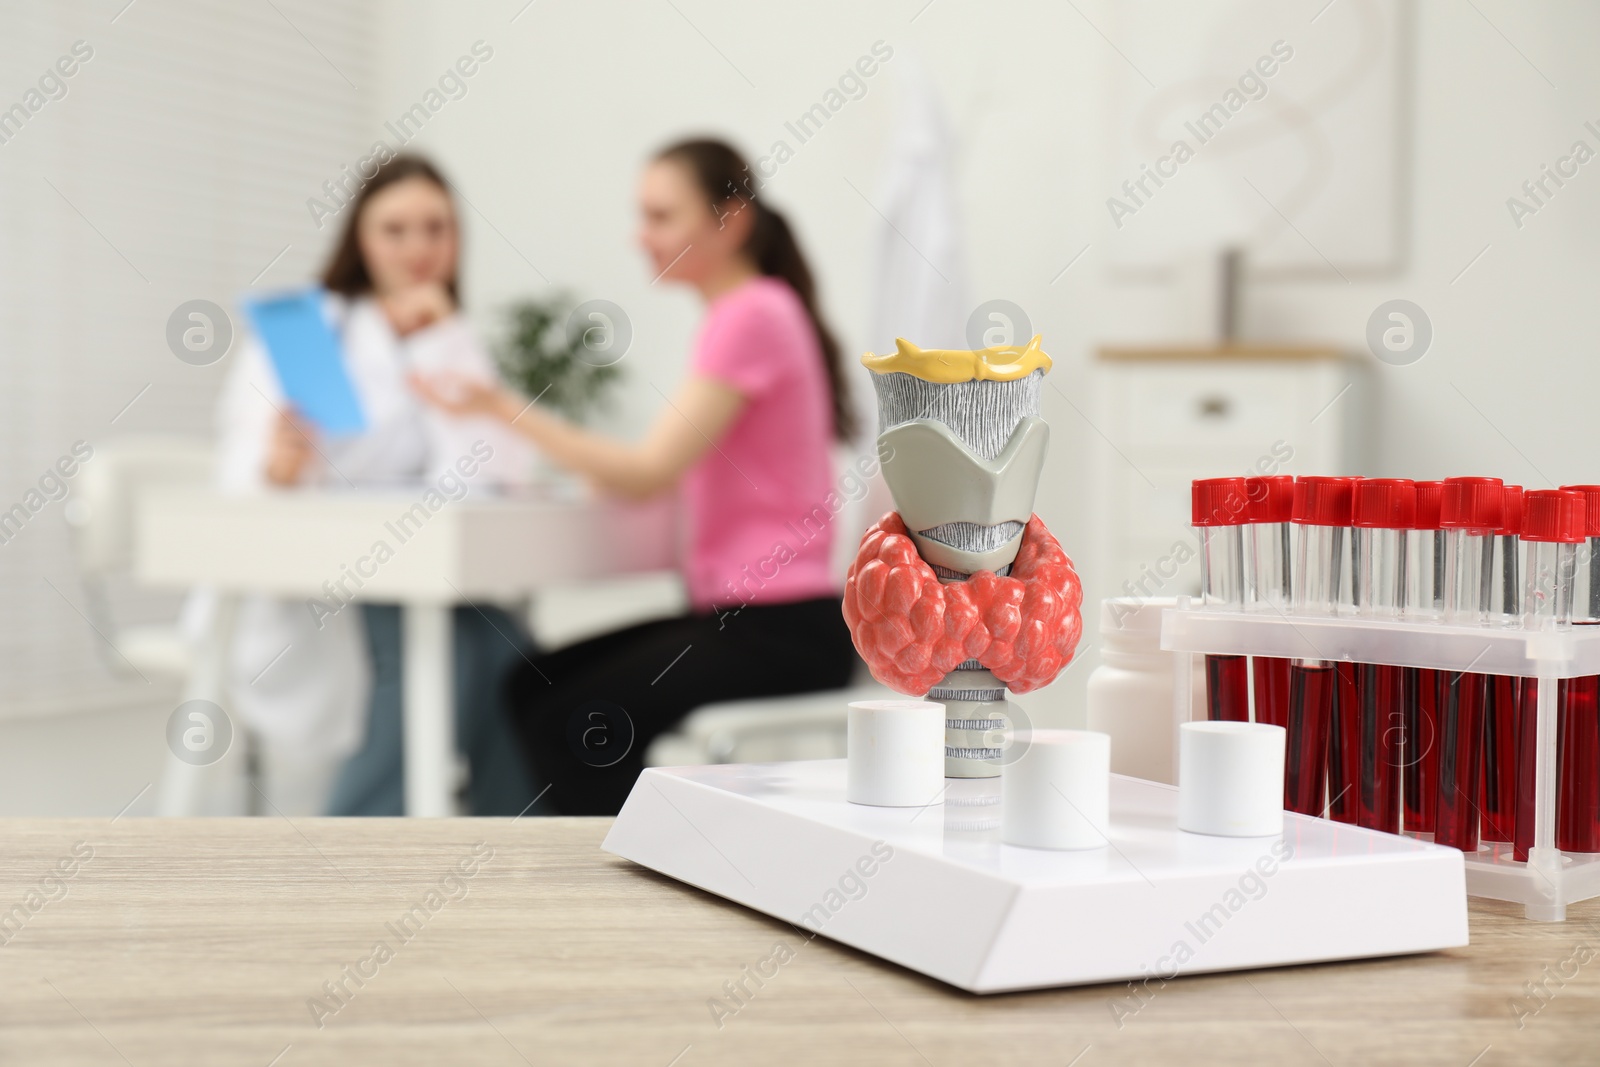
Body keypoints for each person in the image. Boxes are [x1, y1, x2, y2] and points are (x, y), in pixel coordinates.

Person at [411, 138, 860, 814]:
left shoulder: (751, 316)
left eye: (660, 216)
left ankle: (629, 883)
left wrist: (500, 406)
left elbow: (650, 470)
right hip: (753, 619)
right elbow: (681, 468)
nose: (640, 236)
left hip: (782, 629)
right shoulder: (746, 314)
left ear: (729, 222)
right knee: (529, 684)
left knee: (575, 718)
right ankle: (566, 868)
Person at [200, 154, 542, 816]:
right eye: (396, 229)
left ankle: (513, 851)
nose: (418, 248)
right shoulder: (306, 330)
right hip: (323, 578)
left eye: (436, 227)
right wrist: (279, 465)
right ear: (360, 236)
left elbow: (490, 473)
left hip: (415, 568)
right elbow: (239, 468)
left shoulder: (448, 332)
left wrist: (444, 338)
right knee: (442, 654)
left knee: (506, 648)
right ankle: (350, 860)